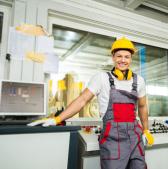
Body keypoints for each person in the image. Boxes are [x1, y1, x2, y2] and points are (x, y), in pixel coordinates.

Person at [28, 37, 154, 169]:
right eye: (119, 56)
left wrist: (146, 130)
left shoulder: (139, 80)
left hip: (135, 138)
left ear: (131, 58)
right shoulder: (101, 78)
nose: (123, 60)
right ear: (113, 57)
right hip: (113, 141)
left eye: (127, 57)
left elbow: (142, 106)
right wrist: (57, 119)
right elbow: (82, 100)